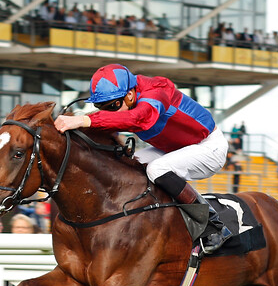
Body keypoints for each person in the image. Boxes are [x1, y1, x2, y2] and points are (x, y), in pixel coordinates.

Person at [54, 64, 232, 254]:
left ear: (130, 95)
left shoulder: (157, 90)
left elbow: (139, 118)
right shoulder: (126, 97)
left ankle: (214, 226)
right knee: (128, 164)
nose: (110, 113)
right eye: (101, 108)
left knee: (156, 169)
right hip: (174, 148)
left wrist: (84, 120)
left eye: (113, 106)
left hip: (208, 147)